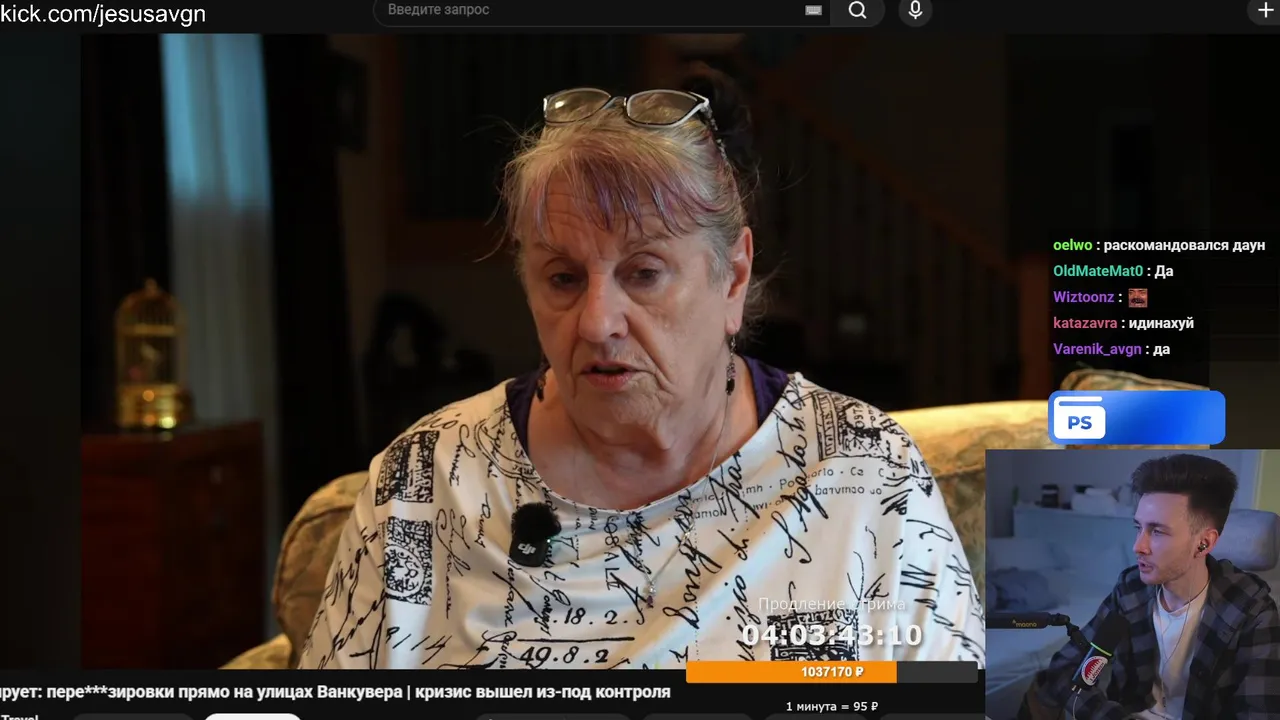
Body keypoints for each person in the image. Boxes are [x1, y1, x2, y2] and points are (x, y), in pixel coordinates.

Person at [297, 66, 985, 670]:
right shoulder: (424, 482)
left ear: (732, 278)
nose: (597, 322)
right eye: (563, 278)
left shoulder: (864, 471)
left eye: (645, 273)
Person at [1025, 454, 1280, 719]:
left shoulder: (1251, 610)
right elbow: (1065, 670)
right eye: (1139, 527)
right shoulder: (1130, 590)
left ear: (1204, 542)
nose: (1138, 546)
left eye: (1157, 531)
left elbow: (1261, 713)